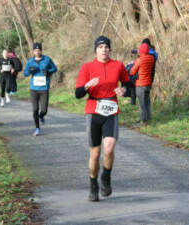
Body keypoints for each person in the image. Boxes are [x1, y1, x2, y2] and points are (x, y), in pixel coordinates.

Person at [75, 35, 130, 202]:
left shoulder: (118, 65)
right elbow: (78, 94)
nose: (103, 50)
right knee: (95, 153)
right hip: (93, 111)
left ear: (110, 49)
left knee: (109, 148)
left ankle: (106, 176)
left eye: (106, 47)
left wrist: (124, 90)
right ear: (95, 50)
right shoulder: (87, 67)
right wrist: (87, 85)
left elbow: (128, 84)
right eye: (100, 47)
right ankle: (93, 185)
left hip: (111, 110)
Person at [23, 42, 57, 136]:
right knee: (35, 109)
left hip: (44, 88)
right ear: (33, 51)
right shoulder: (30, 61)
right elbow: (25, 73)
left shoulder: (47, 59)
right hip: (33, 89)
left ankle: (41, 116)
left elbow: (54, 68)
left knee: (44, 110)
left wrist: (48, 71)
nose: (37, 52)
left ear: (41, 51)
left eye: (39, 50)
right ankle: (37, 128)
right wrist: (30, 71)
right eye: (35, 50)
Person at [130, 41, 156, 125]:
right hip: (148, 83)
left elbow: (132, 72)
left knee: (141, 104)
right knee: (147, 101)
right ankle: (148, 118)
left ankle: (142, 121)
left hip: (140, 84)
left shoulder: (139, 60)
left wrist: (133, 63)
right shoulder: (151, 58)